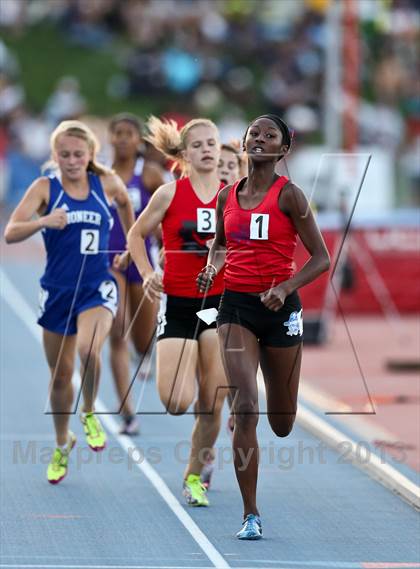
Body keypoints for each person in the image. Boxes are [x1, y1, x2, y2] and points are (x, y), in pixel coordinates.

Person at [197, 114, 330, 539]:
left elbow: (322, 258)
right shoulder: (226, 197)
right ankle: (250, 514)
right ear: (243, 142)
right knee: (246, 407)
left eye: (268, 135)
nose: (258, 139)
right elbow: (220, 244)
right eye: (253, 133)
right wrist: (210, 266)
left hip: (281, 311)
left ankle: (257, 409)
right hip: (235, 306)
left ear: (283, 149)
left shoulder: (291, 196)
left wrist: (286, 286)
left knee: (282, 421)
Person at [4, 120, 134, 484]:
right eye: (65, 155)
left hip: (96, 287)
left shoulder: (105, 183)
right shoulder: (46, 187)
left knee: (91, 351)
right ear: (55, 156)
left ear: (91, 154)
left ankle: (90, 412)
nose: (72, 160)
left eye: (79, 154)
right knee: (60, 377)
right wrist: (45, 220)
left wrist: (128, 246)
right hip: (58, 292)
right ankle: (63, 443)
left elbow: (126, 205)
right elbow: (11, 232)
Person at [127, 116, 227, 507]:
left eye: (211, 143)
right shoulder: (169, 194)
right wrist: (149, 272)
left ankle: (193, 476)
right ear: (184, 154)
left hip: (219, 305)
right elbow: (137, 234)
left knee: (212, 399)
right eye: (198, 144)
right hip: (179, 305)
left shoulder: (234, 195)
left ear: (220, 150)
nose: (206, 149)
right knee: (176, 401)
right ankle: (202, 430)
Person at [107, 113, 165, 435]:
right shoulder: (100, 175)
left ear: (138, 140)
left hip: (142, 264)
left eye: (130, 133)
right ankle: (127, 412)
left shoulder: (150, 175)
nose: (124, 138)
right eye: (118, 133)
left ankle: (142, 352)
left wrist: (158, 231)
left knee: (143, 343)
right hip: (110, 262)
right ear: (111, 138)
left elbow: (172, 211)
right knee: (116, 328)